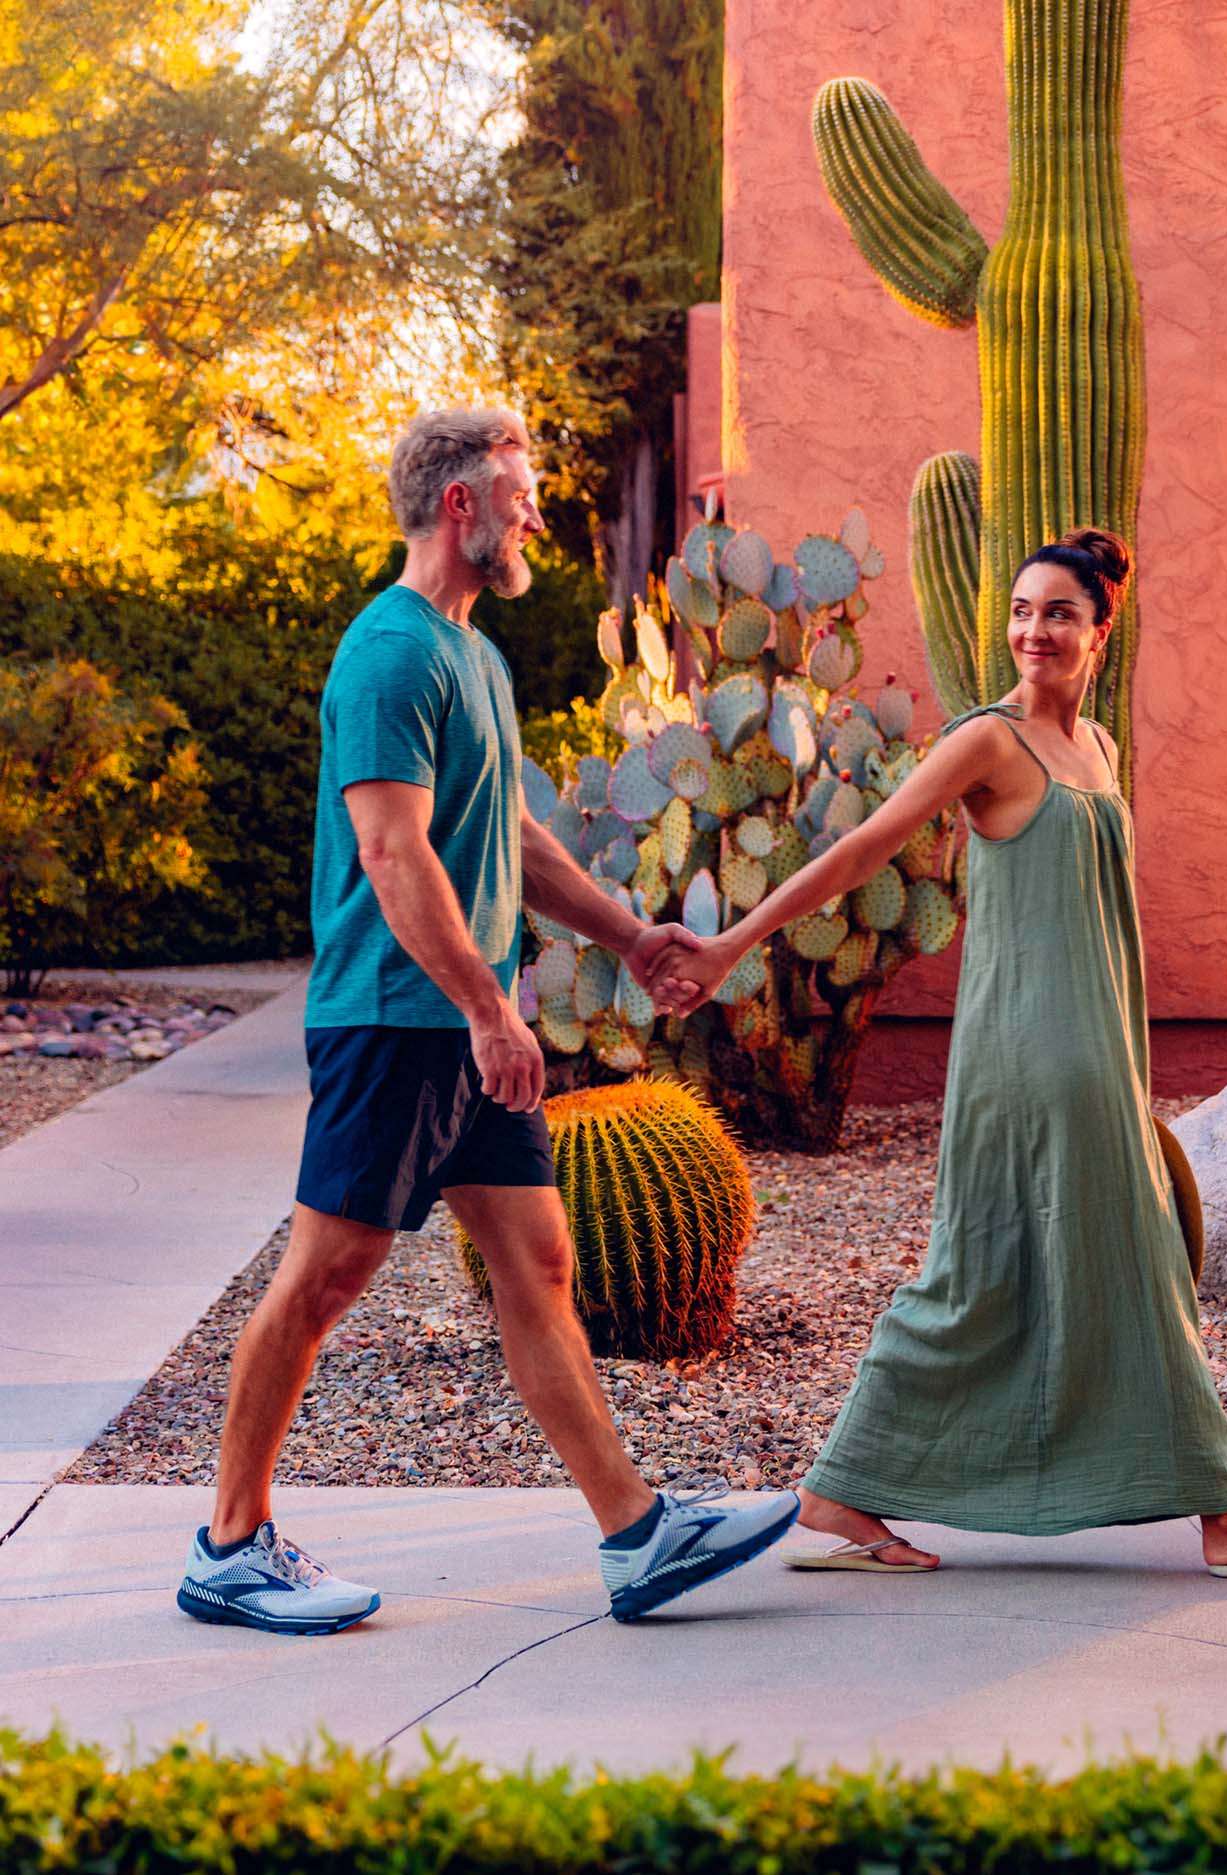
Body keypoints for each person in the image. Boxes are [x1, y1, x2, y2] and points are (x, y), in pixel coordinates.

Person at [178, 409, 798, 1634]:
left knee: (539, 1263)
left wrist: (628, 937)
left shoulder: (479, 659)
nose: (531, 514)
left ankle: (635, 1536)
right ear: (459, 504)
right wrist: (483, 1010)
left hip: (460, 1023)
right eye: (516, 492)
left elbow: (501, 839)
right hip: (395, 1021)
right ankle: (229, 1547)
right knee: (327, 1275)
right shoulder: (390, 655)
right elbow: (392, 851)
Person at [662, 528, 1227, 1579]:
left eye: (1059, 614)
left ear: (1100, 631)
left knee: (982, 1274)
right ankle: (1225, 1516)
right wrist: (729, 944)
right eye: (1024, 611)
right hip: (1039, 1052)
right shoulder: (991, 742)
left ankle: (839, 1494)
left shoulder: (1099, 750)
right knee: (1135, 1259)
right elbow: (865, 846)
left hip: (1094, 1045)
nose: (1035, 630)